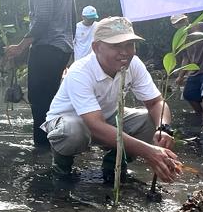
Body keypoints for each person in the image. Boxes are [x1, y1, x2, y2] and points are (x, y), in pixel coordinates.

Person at [42, 16, 183, 184]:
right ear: (96, 47)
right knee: (74, 130)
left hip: (108, 117)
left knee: (150, 120)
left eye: (129, 45)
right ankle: (62, 168)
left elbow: (156, 102)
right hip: (69, 122)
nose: (124, 52)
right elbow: (95, 125)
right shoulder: (80, 71)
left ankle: (113, 163)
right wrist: (148, 152)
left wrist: (164, 128)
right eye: (116, 46)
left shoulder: (133, 64)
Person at [3, 0, 76, 147]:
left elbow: (42, 19)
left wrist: (20, 47)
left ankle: (42, 149)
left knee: (39, 100)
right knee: (54, 99)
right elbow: (73, 17)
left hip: (46, 49)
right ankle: (58, 145)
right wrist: (70, 48)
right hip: (62, 48)